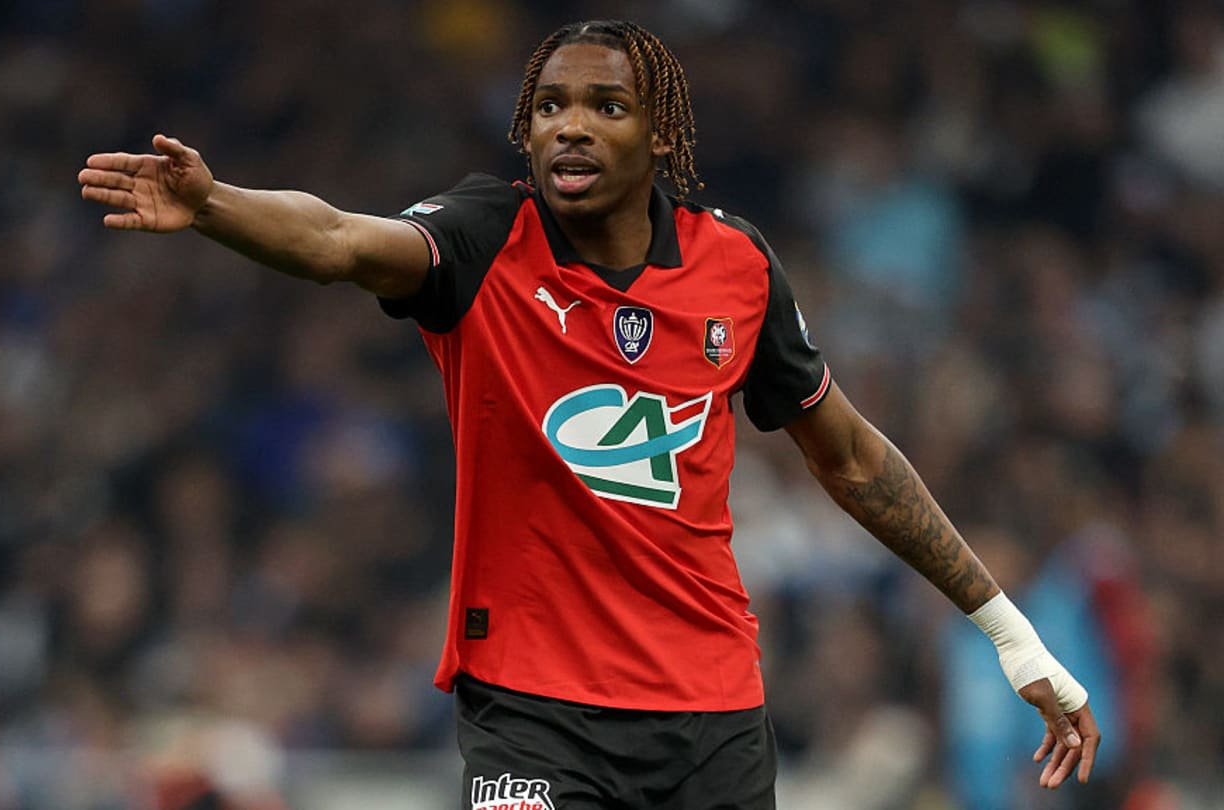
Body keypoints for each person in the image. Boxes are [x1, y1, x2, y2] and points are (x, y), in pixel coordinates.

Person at [77, 19, 1101, 809]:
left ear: (659, 134)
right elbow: (342, 240)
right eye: (551, 105)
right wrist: (216, 206)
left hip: (710, 708)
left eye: (605, 105)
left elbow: (857, 463)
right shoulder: (484, 240)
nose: (570, 123)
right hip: (532, 708)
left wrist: (1008, 634)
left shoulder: (736, 269)